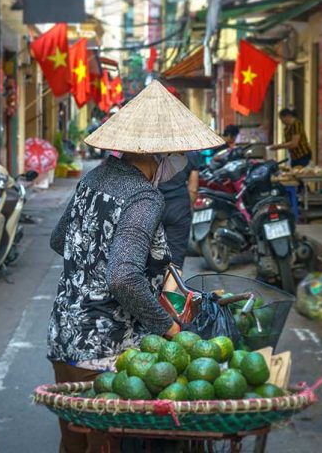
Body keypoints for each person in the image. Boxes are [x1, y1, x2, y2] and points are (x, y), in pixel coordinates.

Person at [47, 81, 224, 453]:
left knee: (72, 442)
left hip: (64, 333)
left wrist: (93, 259)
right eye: (174, 155)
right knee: (104, 444)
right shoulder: (144, 196)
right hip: (104, 348)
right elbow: (124, 277)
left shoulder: (94, 177)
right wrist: (170, 327)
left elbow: (60, 240)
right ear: (157, 155)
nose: (178, 163)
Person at [158, 151, 199, 270]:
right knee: (176, 261)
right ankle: (168, 288)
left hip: (153, 207)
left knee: (151, 257)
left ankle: (152, 287)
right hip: (179, 209)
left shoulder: (151, 151)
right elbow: (193, 188)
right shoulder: (191, 154)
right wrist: (187, 207)